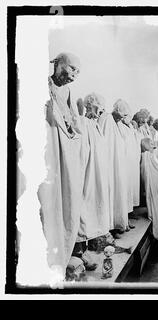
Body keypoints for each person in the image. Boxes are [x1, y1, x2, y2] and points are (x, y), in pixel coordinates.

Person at [38, 52, 84, 275]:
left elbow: (73, 123)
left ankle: (63, 253)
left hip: (64, 151)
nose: (73, 76)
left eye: (77, 72)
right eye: (72, 69)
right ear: (57, 64)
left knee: (68, 197)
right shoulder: (41, 85)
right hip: (48, 152)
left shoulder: (67, 92)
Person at [76, 93, 111, 251]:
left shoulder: (95, 125)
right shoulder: (83, 123)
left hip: (98, 173)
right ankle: (80, 251)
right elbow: (82, 151)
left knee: (96, 206)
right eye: (98, 108)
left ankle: (93, 242)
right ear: (89, 107)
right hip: (89, 173)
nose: (100, 112)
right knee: (86, 207)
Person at [98, 100, 130, 238]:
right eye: (121, 115)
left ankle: (119, 223)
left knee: (119, 193)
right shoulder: (106, 119)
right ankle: (110, 227)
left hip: (118, 164)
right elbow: (101, 141)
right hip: (109, 164)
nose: (122, 118)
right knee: (111, 194)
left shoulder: (118, 124)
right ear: (116, 111)